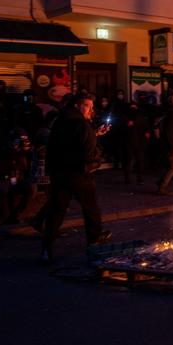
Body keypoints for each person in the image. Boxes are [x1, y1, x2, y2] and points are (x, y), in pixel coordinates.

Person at [41, 94, 111, 262]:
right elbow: (88, 153)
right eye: (88, 106)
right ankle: (94, 243)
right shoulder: (81, 124)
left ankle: (46, 248)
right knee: (91, 209)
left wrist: (94, 134)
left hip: (59, 174)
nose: (91, 110)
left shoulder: (60, 121)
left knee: (56, 211)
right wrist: (96, 161)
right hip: (79, 175)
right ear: (79, 106)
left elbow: (64, 144)